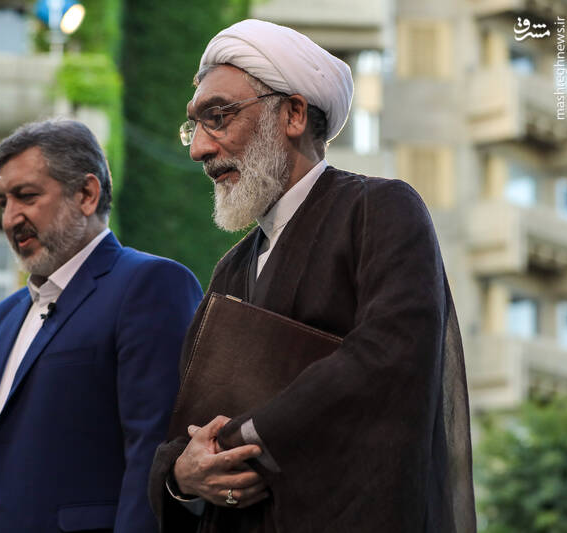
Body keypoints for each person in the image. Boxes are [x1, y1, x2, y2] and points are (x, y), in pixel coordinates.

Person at [148, 19, 476, 533]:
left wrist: (239, 442)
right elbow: (190, 421)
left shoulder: (380, 209)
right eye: (195, 126)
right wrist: (183, 476)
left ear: (294, 114)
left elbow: (387, 361)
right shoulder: (231, 268)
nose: (199, 150)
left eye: (219, 117)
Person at [0, 119, 203, 533]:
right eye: (2, 202)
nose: (10, 218)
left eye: (26, 196)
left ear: (86, 194)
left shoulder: (149, 285)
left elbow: (153, 453)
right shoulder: (1, 319)